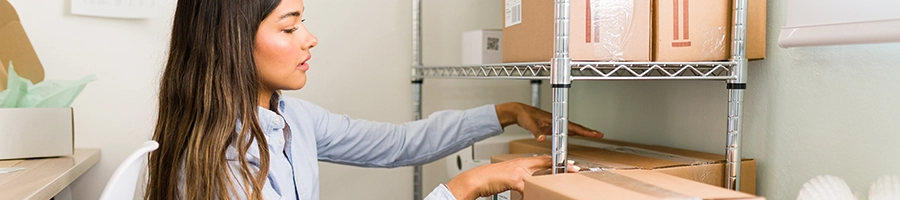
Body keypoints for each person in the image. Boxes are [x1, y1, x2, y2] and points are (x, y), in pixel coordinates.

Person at [146, 0, 603, 199]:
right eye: (290, 27)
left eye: (304, 22)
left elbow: (397, 143)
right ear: (231, 42)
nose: (311, 39)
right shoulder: (220, 164)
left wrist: (505, 113)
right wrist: (464, 187)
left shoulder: (289, 118)